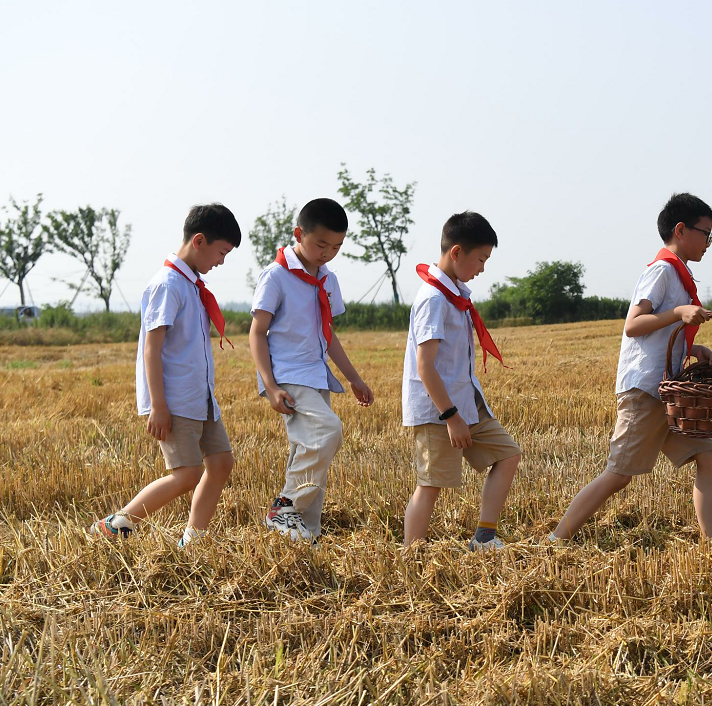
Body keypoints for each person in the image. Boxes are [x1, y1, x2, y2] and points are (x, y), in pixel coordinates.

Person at [551, 192, 712, 543]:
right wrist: (677, 313)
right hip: (645, 391)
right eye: (706, 234)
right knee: (618, 475)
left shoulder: (681, 274)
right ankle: (556, 540)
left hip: (667, 392)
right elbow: (634, 324)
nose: (708, 242)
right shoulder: (661, 271)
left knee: (709, 455)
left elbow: (659, 336)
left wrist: (694, 348)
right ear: (681, 230)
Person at [90, 204, 241, 547]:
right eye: (221, 252)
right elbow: (151, 348)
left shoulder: (192, 285)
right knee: (187, 474)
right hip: (173, 401)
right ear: (199, 241)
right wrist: (158, 405)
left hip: (199, 398)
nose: (221, 261)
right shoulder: (167, 284)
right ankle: (117, 524)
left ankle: (194, 540)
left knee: (220, 464)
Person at [249, 198, 373, 543]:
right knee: (327, 431)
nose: (327, 253)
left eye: (336, 247)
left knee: (310, 453)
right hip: (288, 375)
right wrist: (270, 386)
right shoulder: (276, 276)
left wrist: (354, 378)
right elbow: (258, 332)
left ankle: (305, 539)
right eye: (321, 244)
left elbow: (328, 336)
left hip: (316, 375)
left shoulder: (327, 279)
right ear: (298, 234)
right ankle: (285, 506)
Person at [402, 211, 521, 550]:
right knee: (431, 484)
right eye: (480, 259)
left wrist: (461, 411)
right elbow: (425, 366)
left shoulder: (455, 296)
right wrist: (450, 416)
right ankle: (412, 556)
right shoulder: (433, 299)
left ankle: (484, 536)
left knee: (508, 455)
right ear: (456, 252)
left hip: (467, 402)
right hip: (439, 409)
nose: (482, 268)